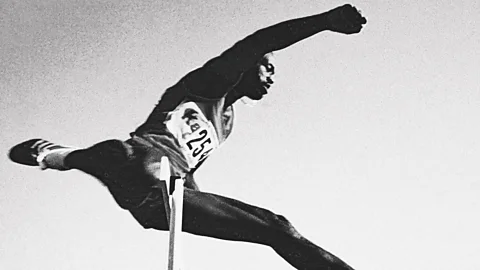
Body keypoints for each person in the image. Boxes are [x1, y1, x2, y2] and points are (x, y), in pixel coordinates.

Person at [9, 4, 367, 270]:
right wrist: (324, 22)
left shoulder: (226, 123)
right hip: (139, 162)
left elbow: (186, 169)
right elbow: (259, 40)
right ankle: (58, 156)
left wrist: (197, 204)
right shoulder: (208, 84)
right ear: (248, 65)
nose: (272, 77)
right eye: (267, 67)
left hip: (163, 199)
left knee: (278, 228)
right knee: (127, 155)